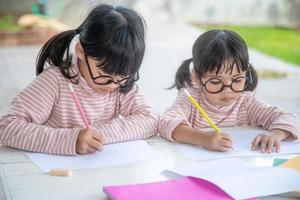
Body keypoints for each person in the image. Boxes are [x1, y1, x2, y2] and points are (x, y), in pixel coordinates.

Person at [0, 4, 158, 155]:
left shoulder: (121, 84)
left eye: (124, 76)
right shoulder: (55, 82)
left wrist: (96, 135)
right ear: (81, 51)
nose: (112, 85)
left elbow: (151, 119)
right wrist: (70, 140)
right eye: (104, 73)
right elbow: (7, 127)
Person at [159, 29, 299, 153]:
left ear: (246, 73)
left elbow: (291, 118)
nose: (227, 90)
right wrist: (203, 139)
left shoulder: (246, 103)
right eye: (215, 81)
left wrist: (275, 135)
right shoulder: (190, 99)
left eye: (237, 80)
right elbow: (165, 122)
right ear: (196, 77)